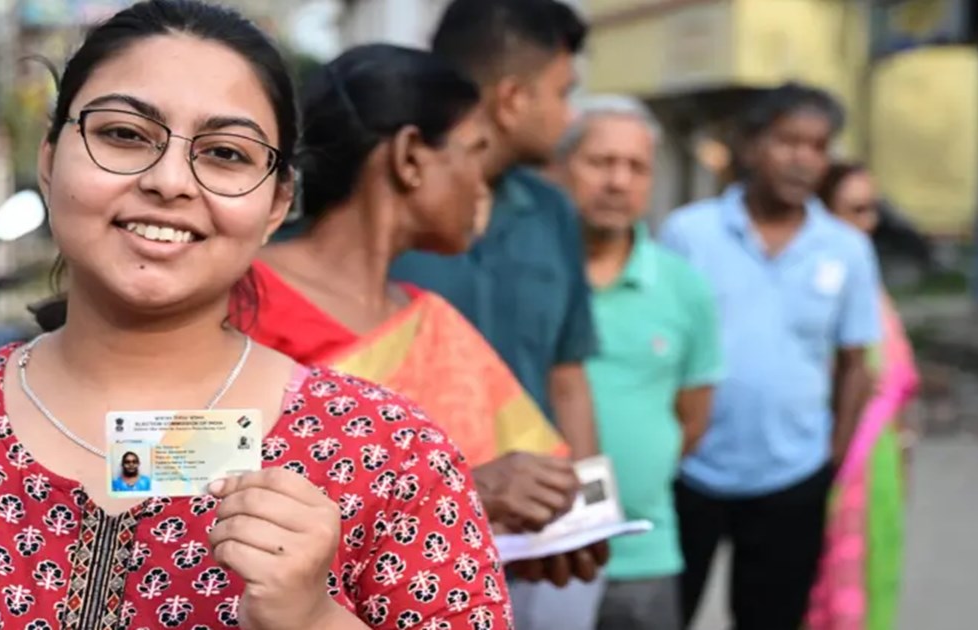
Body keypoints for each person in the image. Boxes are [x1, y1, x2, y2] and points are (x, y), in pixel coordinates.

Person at [0, 3, 511, 629]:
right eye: (125, 135)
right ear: (50, 158)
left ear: (277, 205)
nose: (167, 181)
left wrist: (317, 617)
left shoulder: (388, 459)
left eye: (225, 154)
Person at [243, 44, 594, 560]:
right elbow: (171, 484)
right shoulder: (241, 300)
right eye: (473, 151)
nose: (480, 185)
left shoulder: (427, 318)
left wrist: (532, 526)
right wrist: (468, 490)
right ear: (409, 157)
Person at [386, 0, 606, 625]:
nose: (572, 117)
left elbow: (567, 373)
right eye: (564, 94)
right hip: (403, 537)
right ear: (511, 99)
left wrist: (590, 512)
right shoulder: (378, 215)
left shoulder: (554, 212)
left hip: (541, 543)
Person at [659, 83, 882, 630]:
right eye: (788, 141)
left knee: (773, 619)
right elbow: (656, 348)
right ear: (751, 145)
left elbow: (855, 364)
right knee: (664, 617)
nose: (804, 158)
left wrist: (834, 458)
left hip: (794, 475)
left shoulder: (846, 249)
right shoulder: (691, 234)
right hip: (688, 472)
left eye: (817, 145)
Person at [546, 96, 722, 630]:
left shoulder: (683, 287)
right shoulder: (526, 276)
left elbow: (691, 421)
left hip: (647, 554)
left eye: (636, 167)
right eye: (601, 162)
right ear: (561, 167)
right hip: (537, 554)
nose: (618, 182)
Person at [806, 162, 920, 630]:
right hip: (837, 464)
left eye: (871, 210)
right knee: (827, 592)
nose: (866, 222)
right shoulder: (816, 286)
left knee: (875, 583)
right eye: (854, 210)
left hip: (883, 465)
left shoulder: (871, 288)